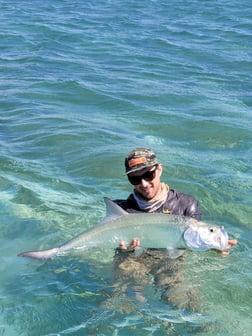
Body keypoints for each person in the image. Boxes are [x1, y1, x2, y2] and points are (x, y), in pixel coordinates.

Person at [110, 148, 236, 311]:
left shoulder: (186, 204)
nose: (144, 184)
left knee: (185, 305)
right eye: (135, 178)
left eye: (148, 175)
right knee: (122, 302)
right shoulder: (121, 210)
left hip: (169, 262)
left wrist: (213, 248)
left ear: (159, 169)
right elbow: (114, 244)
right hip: (132, 260)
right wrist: (125, 250)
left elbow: (193, 240)